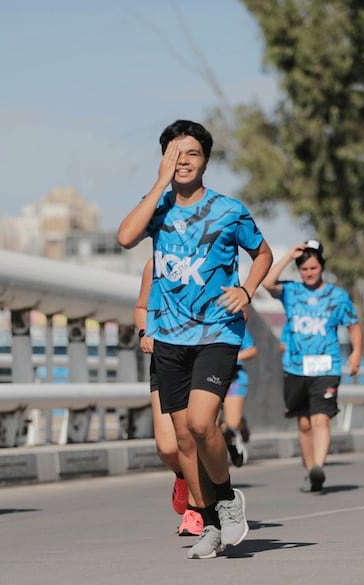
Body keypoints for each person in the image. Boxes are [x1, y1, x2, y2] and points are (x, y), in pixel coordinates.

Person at [116, 119, 273, 559]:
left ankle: (225, 499)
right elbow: (126, 237)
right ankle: (206, 521)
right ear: (164, 158)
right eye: (174, 153)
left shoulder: (229, 211)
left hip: (218, 331)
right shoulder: (157, 207)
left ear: (206, 160)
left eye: (192, 154)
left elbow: (262, 254)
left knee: (203, 424)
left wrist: (246, 290)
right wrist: (160, 182)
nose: (183, 161)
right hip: (169, 335)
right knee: (184, 439)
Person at [262, 240, 363, 493]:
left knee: (321, 419)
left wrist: (357, 354)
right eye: (304, 269)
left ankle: (319, 466)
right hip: (295, 367)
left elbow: (353, 325)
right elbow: (267, 283)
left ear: (322, 267)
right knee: (304, 423)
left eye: (313, 268)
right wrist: (288, 256)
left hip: (327, 368)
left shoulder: (338, 296)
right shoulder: (291, 291)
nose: (309, 273)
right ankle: (310, 471)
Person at [134, 258, 205, 537]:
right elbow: (141, 307)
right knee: (167, 446)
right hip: (165, 357)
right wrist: (145, 332)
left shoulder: (210, 254)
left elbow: (239, 307)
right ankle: (182, 477)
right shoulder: (155, 262)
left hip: (204, 355)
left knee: (194, 433)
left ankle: (196, 511)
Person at [220, 327, 257, 468]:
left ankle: (239, 426)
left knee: (232, 423)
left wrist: (232, 357)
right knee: (212, 424)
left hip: (234, 379)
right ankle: (230, 441)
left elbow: (252, 350)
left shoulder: (232, 324)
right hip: (208, 378)